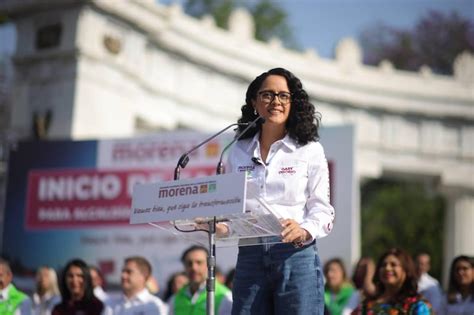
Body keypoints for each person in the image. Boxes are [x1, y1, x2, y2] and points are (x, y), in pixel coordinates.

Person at [226, 67, 335, 314]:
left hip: (294, 254)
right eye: (267, 95)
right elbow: (232, 209)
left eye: (283, 96)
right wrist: (216, 225)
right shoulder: (237, 150)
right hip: (250, 253)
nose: (276, 101)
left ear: (292, 103)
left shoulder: (309, 149)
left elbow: (323, 211)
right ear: (254, 102)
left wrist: (304, 229)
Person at [351, 248, 431, 315]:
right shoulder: (367, 305)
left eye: (393, 265)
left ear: (406, 271)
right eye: (383, 265)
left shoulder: (415, 305)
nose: (387, 268)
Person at [168, 245, 232, 315]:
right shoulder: (175, 298)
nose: (194, 268)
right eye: (189, 263)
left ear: (209, 265)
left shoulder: (224, 296)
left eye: (199, 262)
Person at [103, 256, 168, 315]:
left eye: (129, 272)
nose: (123, 275)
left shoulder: (154, 304)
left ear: (143, 276)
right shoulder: (111, 303)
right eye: (123, 271)